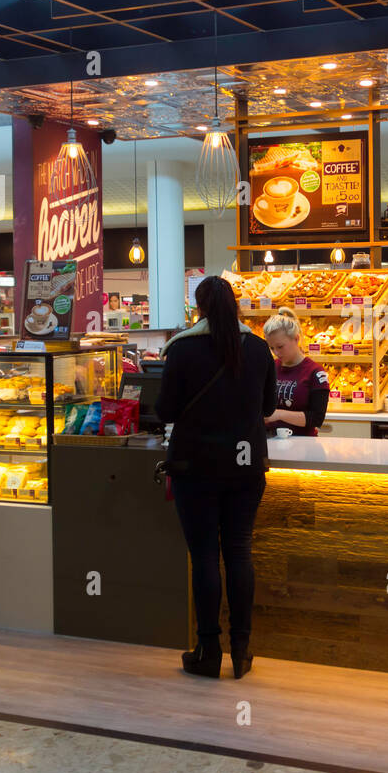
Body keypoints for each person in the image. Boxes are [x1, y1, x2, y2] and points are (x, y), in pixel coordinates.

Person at [156, 277, 275, 680]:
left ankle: (208, 650)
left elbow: (166, 409)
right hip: (246, 468)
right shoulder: (258, 349)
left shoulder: (183, 349)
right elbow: (270, 405)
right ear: (236, 305)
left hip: (196, 467)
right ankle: (242, 650)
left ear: (199, 307)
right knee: (238, 552)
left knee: (205, 555)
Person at [263, 307, 330, 437]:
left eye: (280, 346)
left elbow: (316, 418)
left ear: (296, 339)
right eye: (272, 348)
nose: (276, 353)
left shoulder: (315, 373)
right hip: (270, 441)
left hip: (303, 444)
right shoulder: (270, 367)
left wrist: (278, 414)